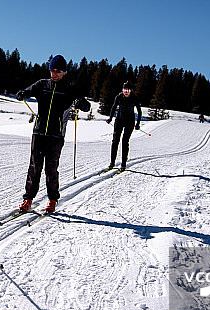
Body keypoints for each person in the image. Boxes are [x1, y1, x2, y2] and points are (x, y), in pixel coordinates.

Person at [15, 55, 91, 214]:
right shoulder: (42, 84)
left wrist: (81, 104)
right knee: (34, 167)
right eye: (52, 70)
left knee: (51, 169)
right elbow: (27, 91)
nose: (55, 73)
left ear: (64, 72)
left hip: (56, 135)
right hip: (39, 132)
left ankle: (52, 200)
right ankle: (28, 199)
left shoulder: (69, 89)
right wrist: (21, 93)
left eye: (58, 71)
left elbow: (86, 106)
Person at [106, 81, 142, 169]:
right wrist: (110, 118)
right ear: (122, 90)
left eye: (128, 90)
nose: (126, 92)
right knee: (115, 141)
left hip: (130, 122)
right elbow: (114, 107)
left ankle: (123, 164)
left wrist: (137, 124)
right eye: (125, 90)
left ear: (131, 91)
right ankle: (112, 162)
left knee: (125, 141)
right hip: (119, 120)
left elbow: (139, 111)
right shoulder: (119, 97)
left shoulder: (134, 98)